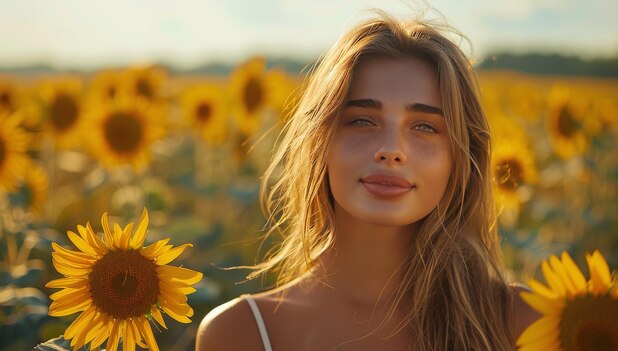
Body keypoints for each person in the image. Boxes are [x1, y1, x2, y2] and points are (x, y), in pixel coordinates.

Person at [196, 10, 540, 351]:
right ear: (321, 142)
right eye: (362, 121)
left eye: (424, 127)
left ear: (461, 158)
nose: (391, 150)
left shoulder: (523, 324)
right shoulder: (241, 333)